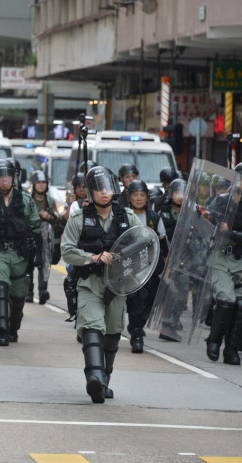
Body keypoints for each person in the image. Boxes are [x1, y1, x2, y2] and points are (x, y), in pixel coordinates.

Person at [61, 166, 142, 403]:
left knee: (113, 331)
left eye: (107, 187)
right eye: (98, 189)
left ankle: (105, 380)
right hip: (89, 282)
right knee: (92, 327)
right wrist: (93, 258)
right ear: (90, 192)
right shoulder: (79, 219)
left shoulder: (127, 216)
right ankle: (94, 377)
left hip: (118, 286)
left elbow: (144, 245)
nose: (104, 192)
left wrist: (126, 259)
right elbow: (66, 250)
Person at [0, 159, 41, 346]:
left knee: (18, 296)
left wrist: (34, 249)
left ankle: (13, 328)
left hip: (20, 254)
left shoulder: (25, 199)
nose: (4, 180)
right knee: (0, 286)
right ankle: (3, 331)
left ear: (13, 177)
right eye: (0, 176)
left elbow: (35, 226)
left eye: (7, 176)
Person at [125, 179, 168, 353]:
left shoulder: (155, 217)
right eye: (135, 195)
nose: (139, 198)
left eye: (142, 195)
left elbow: (163, 242)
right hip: (131, 266)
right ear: (129, 197)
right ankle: (136, 334)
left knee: (150, 299)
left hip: (151, 266)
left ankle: (139, 324)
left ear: (147, 197)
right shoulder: (123, 216)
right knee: (136, 298)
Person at [206, 164, 242, 366]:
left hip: (240, 259)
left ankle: (231, 349)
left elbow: (227, 230)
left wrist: (231, 232)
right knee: (226, 299)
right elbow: (213, 223)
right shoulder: (221, 201)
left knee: (240, 304)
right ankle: (214, 340)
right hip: (221, 256)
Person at [157, 178, 187, 341]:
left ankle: (174, 321)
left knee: (182, 295)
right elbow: (160, 237)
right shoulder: (163, 214)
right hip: (168, 260)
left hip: (186, 261)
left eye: (183, 192)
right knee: (171, 292)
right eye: (177, 192)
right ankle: (166, 326)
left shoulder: (192, 213)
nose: (180, 196)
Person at [26, 170, 58, 305]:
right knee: (28, 266)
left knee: (44, 265)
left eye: (43, 182)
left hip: (45, 237)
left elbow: (57, 219)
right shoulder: (28, 199)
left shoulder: (50, 201)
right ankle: (28, 292)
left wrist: (48, 216)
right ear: (33, 184)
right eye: (38, 182)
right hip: (30, 236)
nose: (41, 185)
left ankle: (42, 291)